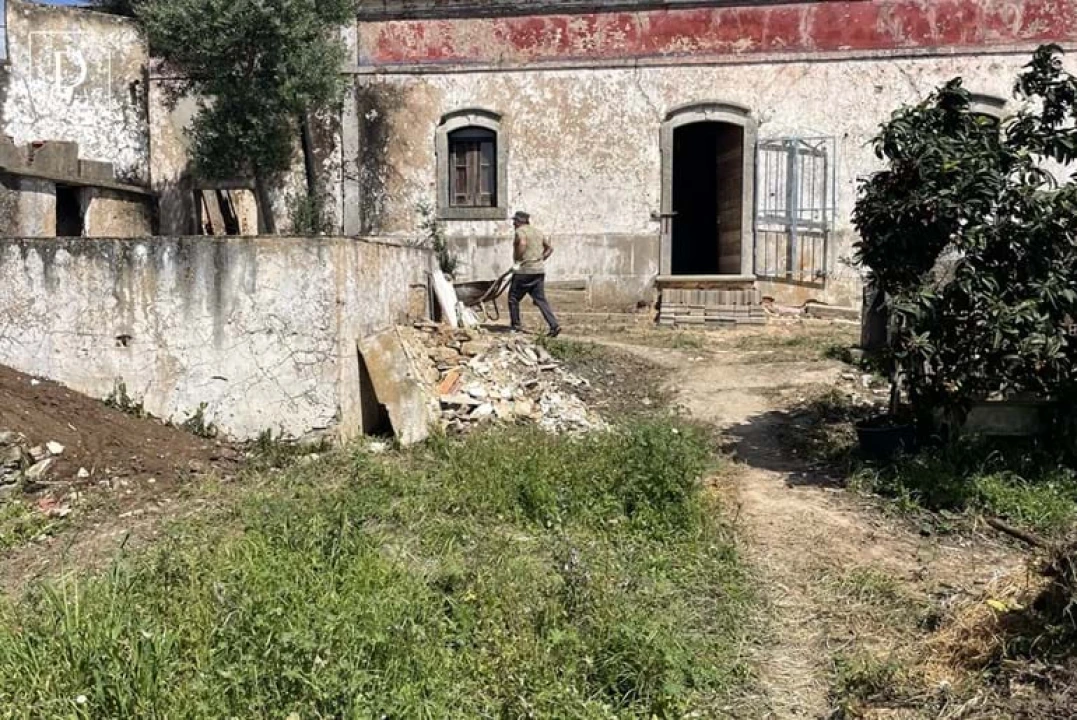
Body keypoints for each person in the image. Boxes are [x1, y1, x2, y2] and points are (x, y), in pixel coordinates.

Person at [508, 211, 560, 337]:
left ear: (520, 221)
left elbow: (522, 243)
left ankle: (516, 326)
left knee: (513, 298)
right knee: (540, 299)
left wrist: (519, 261)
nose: (513, 223)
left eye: (515, 221)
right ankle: (554, 325)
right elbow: (550, 248)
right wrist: (541, 259)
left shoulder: (521, 231)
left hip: (525, 271)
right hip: (538, 271)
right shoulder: (538, 232)